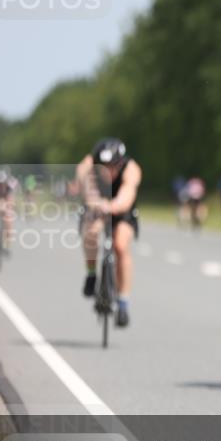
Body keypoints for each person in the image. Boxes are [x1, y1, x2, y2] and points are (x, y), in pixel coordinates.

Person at [77, 138, 142, 328]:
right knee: (90, 233)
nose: (108, 171)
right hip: (97, 203)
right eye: (103, 167)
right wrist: (95, 203)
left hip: (122, 208)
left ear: (120, 163)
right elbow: (85, 186)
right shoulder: (87, 166)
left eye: (112, 166)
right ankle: (91, 274)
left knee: (121, 245)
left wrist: (113, 206)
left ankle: (123, 302)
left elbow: (127, 195)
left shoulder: (132, 169)